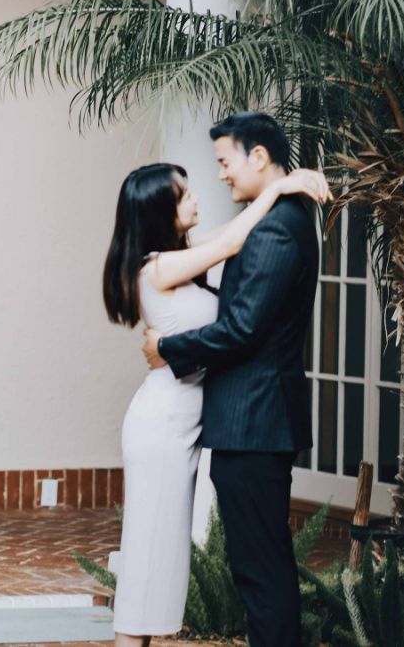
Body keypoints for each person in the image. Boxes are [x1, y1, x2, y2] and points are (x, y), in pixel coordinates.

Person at [103, 147, 329, 645]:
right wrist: (278, 186)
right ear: (161, 212)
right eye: (185, 196)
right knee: (148, 552)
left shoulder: (178, 259)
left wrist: (273, 194)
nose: (197, 198)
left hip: (181, 422)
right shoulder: (157, 267)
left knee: (163, 555)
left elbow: (233, 238)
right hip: (162, 422)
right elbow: (232, 241)